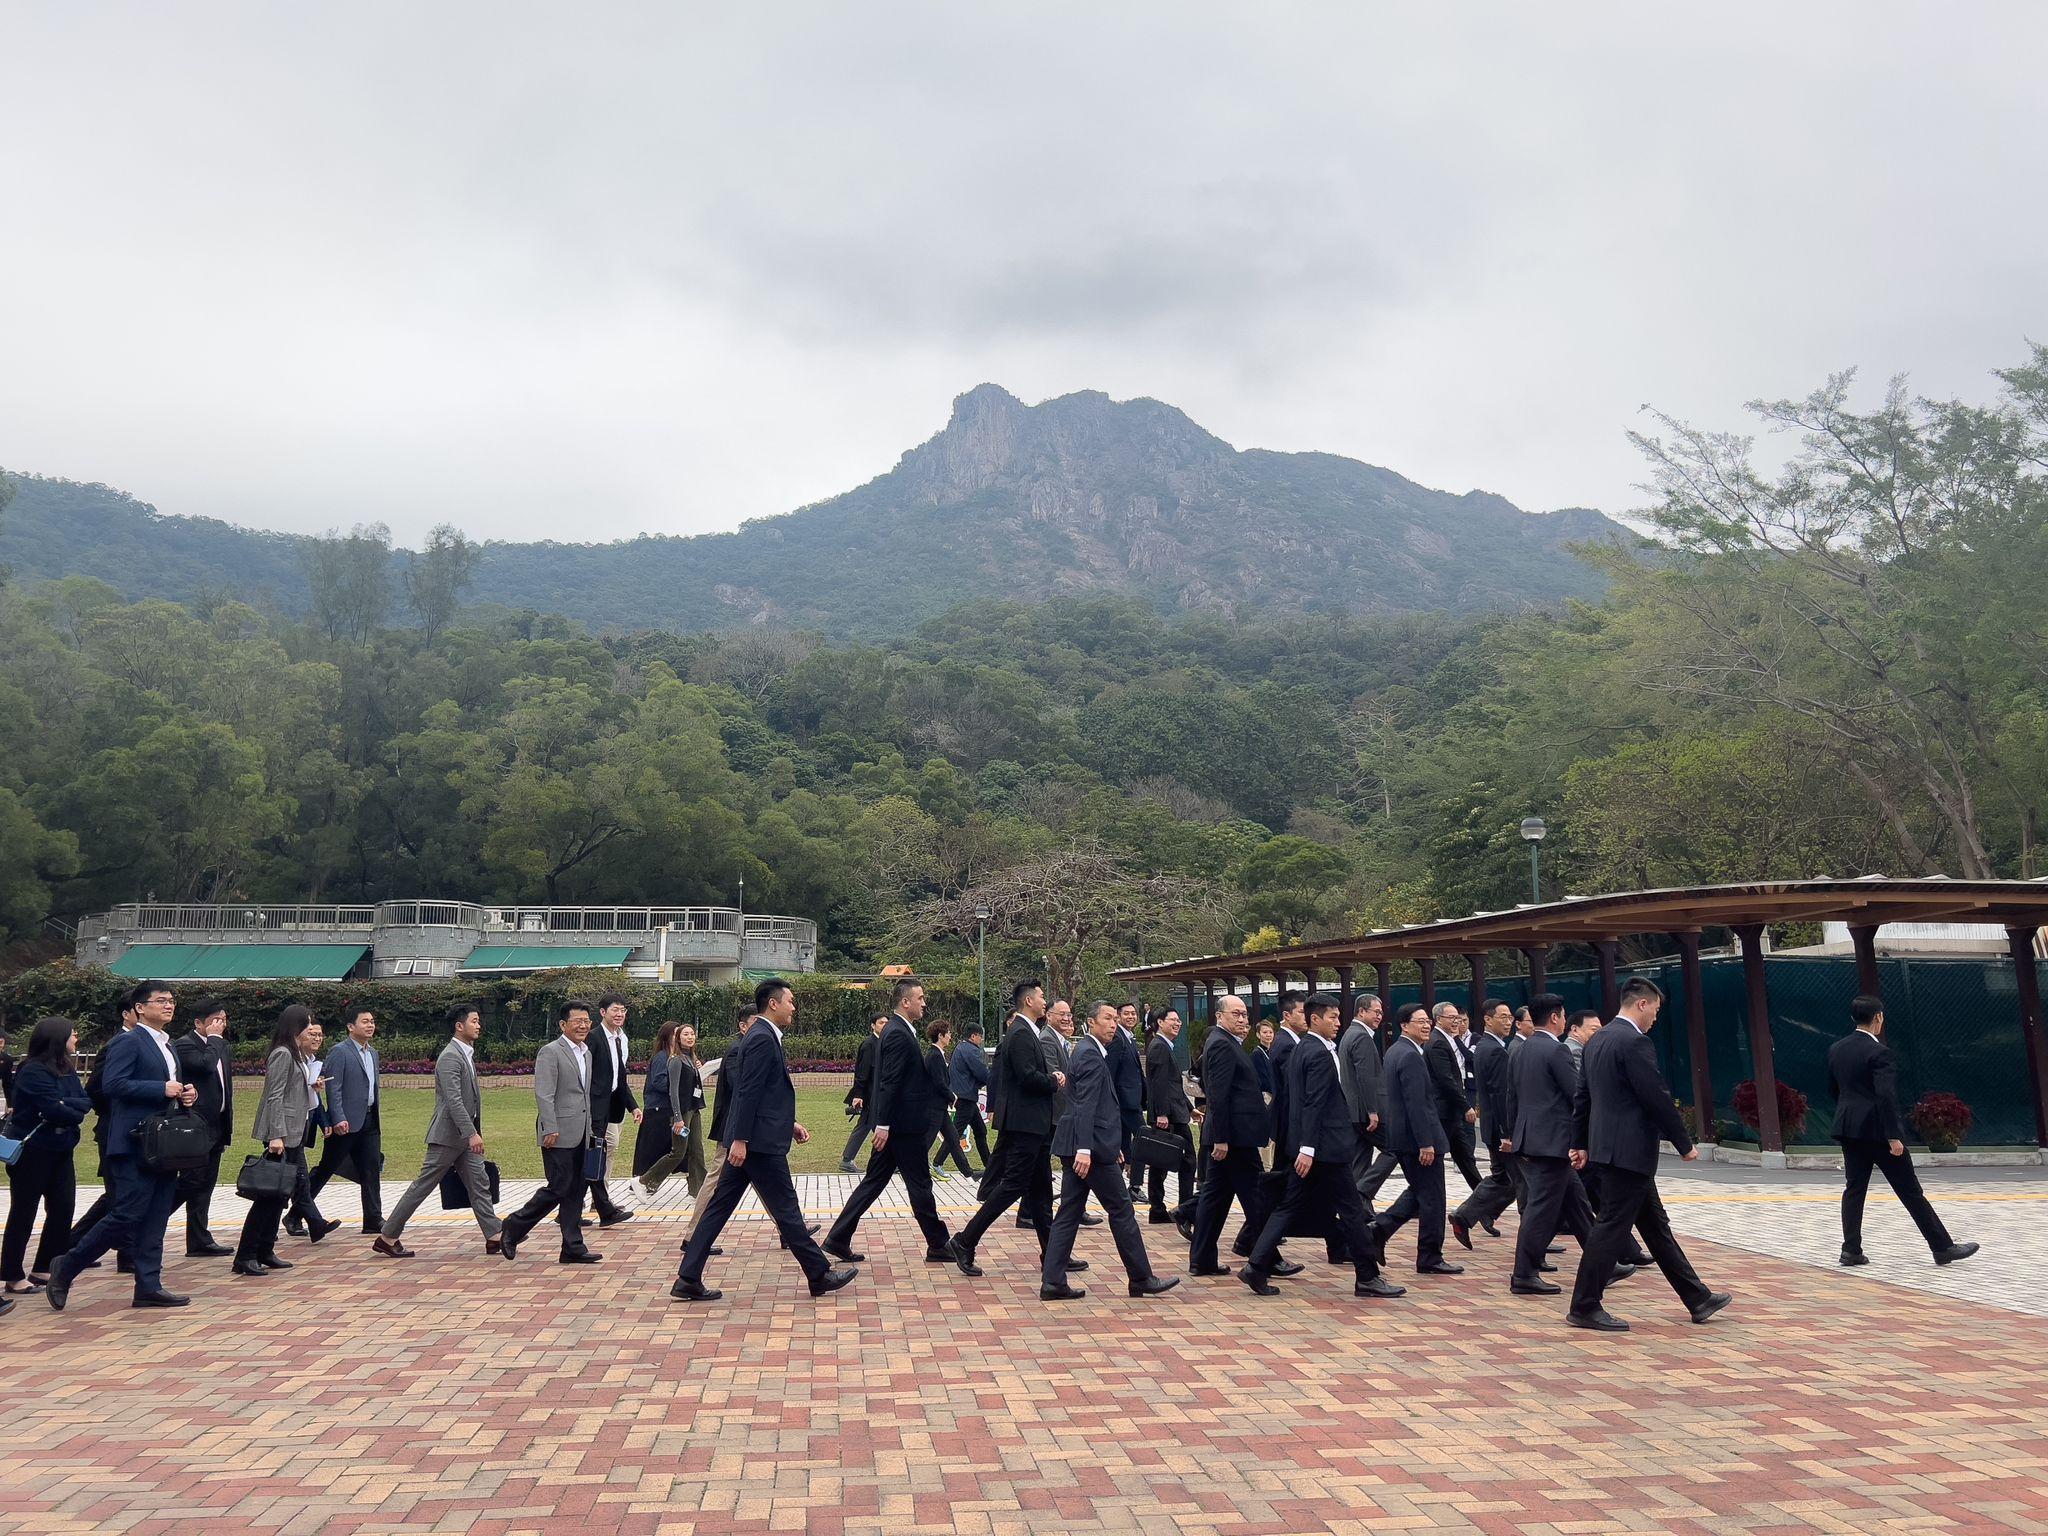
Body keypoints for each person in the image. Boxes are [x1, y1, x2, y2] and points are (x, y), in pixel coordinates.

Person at [671, 979, 855, 1302]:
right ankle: (819, 1273)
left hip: (757, 1138)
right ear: (773, 1004)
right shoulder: (760, 1038)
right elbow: (747, 1092)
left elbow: (767, 1095)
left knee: (718, 1208)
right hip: (757, 1145)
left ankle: (687, 1277)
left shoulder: (765, 1036)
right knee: (786, 1209)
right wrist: (739, 1139)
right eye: (790, 1002)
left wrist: (790, 1124)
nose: (793, 1008)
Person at [1566, 977, 1730, 1332]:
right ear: (1641, 1004)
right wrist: (1684, 1143)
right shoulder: (1634, 1042)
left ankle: (1697, 1297)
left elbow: (1583, 1097)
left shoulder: (1599, 1040)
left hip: (1609, 1151)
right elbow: (1654, 1095)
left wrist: (1579, 1143)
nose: (1656, 1016)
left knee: (1656, 1228)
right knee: (1610, 1228)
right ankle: (1584, 1305)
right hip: (1629, 1152)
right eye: (1655, 1008)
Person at [46, 979, 198, 1311]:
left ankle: (148, 1285)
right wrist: (162, 1088)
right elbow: (112, 1085)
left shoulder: (168, 1045)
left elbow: (167, 1088)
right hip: (132, 1144)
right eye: (161, 1000)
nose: (169, 1005)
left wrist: (186, 1094)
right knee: (128, 1213)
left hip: (163, 1144)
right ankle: (66, 1267)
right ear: (140, 1008)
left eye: (171, 1000)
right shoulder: (128, 1042)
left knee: (156, 1215)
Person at [1240, 995, 1404, 1300]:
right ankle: (1367, 1277)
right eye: (1332, 1017)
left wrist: (1303, 1147)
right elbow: (1313, 1103)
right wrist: (1308, 1148)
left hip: (1313, 1148)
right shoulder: (1316, 1052)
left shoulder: (1305, 1048)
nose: (1338, 1023)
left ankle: (1256, 1265)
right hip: (1325, 1149)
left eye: (1339, 1017)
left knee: (1289, 1207)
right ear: (1315, 1019)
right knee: (1352, 1211)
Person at [1040, 1002, 1179, 1301]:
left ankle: (1052, 1281)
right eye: (1107, 1019)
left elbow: (1095, 1106)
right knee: (1122, 1210)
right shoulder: (1089, 1054)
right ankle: (1141, 1277)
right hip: (1088, 1149)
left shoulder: (1091, 1052)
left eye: (1115, 1019)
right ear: (1091, 1023)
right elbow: (1086, 1106)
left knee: (1068, 1212)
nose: (1114, 1024)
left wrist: (1109, 1146)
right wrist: (1086, 1149)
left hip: (1089, 1145)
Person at [1829, 995, 1978, 1268]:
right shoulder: (1880, 1053)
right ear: (1878, 1018)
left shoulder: (1837, 1048)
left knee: (1854, 1188)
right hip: (1879, 1132)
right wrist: (1894, 1136)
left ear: (1854, 1018)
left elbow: (1835, 1090)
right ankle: (1942, 1247)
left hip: (1849, 1128)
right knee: (1910, 1190)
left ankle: (1851, 1250)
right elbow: (1885, 1096)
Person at [823, 979, 953, 1265]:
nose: (924, 1003)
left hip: (897, 1127)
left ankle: (837, 1238)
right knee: (919, 1184)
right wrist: (882, 1124)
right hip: (902, 1128)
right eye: (920, 998)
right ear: (905, 1002)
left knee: (873, 1182)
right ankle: (938, 1243)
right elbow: (889, 1082)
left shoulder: (899, 1031)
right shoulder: (897, 1033)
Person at [948, 981, 1066, 1277]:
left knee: (1041, 1193)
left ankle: (1052, 1255)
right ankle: (965, 1240)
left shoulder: (1025, 1032)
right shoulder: (1022, 1034)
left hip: (1032, 1125)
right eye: (1041, 996)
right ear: (1028, 1001)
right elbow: (1027, 1077)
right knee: (1013, 1186)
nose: (1044, 1001)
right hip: (1026, 1124)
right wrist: (1053, 1080)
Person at [375, 1004, 505, 1257]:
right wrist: (471, 1133)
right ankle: (388, 1236)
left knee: (479, 1183)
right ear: (459, 1026)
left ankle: (494, 1235)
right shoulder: (450, 1057)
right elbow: (454, 1100)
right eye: (474, 1021)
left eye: (479, 1021)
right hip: (448, 1136)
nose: (479, 1026)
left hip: (463, 1137)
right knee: (422, 1187)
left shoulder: (465, 1054)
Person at [1503, 994, 1600, 1295]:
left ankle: (1605, 1261)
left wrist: (1512, 1133)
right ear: (1556, 1017)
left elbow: (1511, 1095)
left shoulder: (1521, 1048)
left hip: (1530, 1138)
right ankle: (1523, 1274)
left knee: (1577, 1202)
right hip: (1551, 1141)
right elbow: (1576, 1095)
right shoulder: (1555, 1051)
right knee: (1541, 1209)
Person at [499, 1000, 602, 1264]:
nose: (583, 1025)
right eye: (577, 1021)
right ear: (563, 1024)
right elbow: (544, 1093)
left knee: (577, 1189)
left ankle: (572, 1246)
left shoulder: (586, 1053)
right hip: (557, 1131)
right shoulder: (550, 1052)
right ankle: (514, 1225)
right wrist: (550, 1127)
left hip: (581, 1131)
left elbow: (583, 1095)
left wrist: (590, 1129)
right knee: (559, 1186)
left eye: (586, 1021)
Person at [2, 1017, 91, 1300]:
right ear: (57, 1038)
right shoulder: (32, 1070)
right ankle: (12, 1273)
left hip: (61, 1147)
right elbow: (51, 1108)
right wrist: (67, 1107)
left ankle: (44, 1267)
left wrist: (69, 1106)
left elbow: (84, 1102)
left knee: (63, 1207)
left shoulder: (66, 1068)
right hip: (33, 1151)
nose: (75, 1039)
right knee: (24, 1211)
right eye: (72, 1034)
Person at [1369, 1003, 1460, 1276]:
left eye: (1427, 1021)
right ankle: (1430, 1256)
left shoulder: (1398, 1051)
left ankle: (1380, 1229)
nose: (1426, 1025)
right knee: (1433, 1199)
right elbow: (1416, 1103)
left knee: (1420, 1192)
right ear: (1404, 1025)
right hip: (1418, 1140)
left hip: (1405, 1138)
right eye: (1419, 1021)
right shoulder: (1409, 1055)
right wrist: (1426, 1142)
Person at [1186, 994, 1273, 1275]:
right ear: (1219, 1016)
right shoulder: (1222, 1045)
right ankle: (1269, 1257)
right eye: (1235, 1014)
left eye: (1245, 1014)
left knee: (1215, 1199)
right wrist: (1221, 1138)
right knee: (1256, 1195)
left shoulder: (1228, 1044)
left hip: (1234, 1136)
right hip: (1233, 1138)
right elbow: (1219, 1096)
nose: (1242, 1019)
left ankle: (1202, 1259)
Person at [234, 1006, 323, 1277]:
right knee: (269, 1196)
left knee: (280, 1196)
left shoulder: (296, 1054)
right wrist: (276, 1135)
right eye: (307, 1024)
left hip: (293, 1133)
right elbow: (274, 1096)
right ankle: (246, 1255)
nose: (311, 1029)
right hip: (282, 1135)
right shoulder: (283, 1054)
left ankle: (265, 1249)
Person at [308, 1003, 383, 1234]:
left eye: (371, 1021)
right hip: (345, 1123)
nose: (370, 1025)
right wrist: (338, 1117)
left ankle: (373, 1220)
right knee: (327, 1168)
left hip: (369, 1120)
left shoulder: (372, 1053)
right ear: (351, 1027)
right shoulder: (340, 1052)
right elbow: (334, 1087)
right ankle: (297, 1211)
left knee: (371, 1168)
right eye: (364, 1021)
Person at [1451, 998, 1521, 1247]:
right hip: (1500, 1128)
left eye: (1510, 1017)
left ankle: (1467, 1215)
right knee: (1521, 1181)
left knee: (1503, 1178)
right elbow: (1500, 1094)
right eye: (1503, 1017)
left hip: (1492, 1125)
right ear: (1488, 1020)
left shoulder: (1485, 1046)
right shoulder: (1494, 1050)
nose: (1508, 1021)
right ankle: (1537, 1238)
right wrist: (1507, 1133)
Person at [171, 996, 233, 1258]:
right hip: (195, 1126)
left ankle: (199, 1239)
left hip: (217, 1125)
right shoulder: (186, 1045)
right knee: (190, 1182)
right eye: (215, 1020)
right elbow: (205, 1066)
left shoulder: (222, 1047)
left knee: (206, 1183)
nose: (221, 1025)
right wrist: (214, 1040)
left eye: (223, 1019)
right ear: (199, 1022)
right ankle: (144, 1223)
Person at [584, 992, 640, 1226]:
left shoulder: (620, 1038)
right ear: (603, 1012)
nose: (619, 1014)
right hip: (593, 1108)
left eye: (623, 1010)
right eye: (615, 1010)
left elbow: (619, 1076)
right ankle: (595, 1206)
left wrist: (633, 1106)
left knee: (605, 1151)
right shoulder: (593, 1038)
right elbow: (585, 1075)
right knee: (595, 1153)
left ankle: (600, 1203)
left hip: (611, 1107)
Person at [637, 1022, 708, 1195]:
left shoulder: (690, 1059)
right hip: (682, 1113)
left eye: (692, 1034)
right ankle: (643, 1180)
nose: (689, 1037)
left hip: (693, 1110)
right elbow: (673, 1091)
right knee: (678, 1152)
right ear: (677, 1038)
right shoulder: (675, 1060)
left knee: (696, 1150)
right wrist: (677, 1118)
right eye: (685, 1034)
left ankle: (698, 1190)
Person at [1338, 996, 1393, 1210]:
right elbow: (1365, 1076)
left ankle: (1359, 1210)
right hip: (1364, 1111)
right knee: (1394, 1147)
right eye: (1375, 1012)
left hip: (1354, 1112)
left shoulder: (1349, 1035)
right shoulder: (1361, 1037)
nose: (1379, 1016)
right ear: (1361, 1012)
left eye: (1380, 1012)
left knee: (1360, 1160)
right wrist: (1373, 1110)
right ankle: (1363, 1191)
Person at [1143, 1009, 1196, 1222]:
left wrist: (1190, 1108)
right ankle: (1184, 1209)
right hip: (1170, 1117)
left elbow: (1173, 1085)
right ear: (1160, 1022)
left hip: (1175, 1112)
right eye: (1173, 1020)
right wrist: (1162, 1114)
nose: (1178, 1023)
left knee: (1160, 1162)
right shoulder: (1159, 1047)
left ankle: (1158, 1210)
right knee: (1187, 1161)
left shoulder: (1164, 1046)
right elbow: (1159, 1083)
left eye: (1178, 1019)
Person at [1426, 1002, 1483, 1192]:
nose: (1456, 1021)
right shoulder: (1437, 1043)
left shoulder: (1449, 1039)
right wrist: (1465, 1106)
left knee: (1465, 1159)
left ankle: (1482, 1207)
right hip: (1443, 1112)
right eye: (1451, 1018)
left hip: (1450, 1112)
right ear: (1438, 1020)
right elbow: (1445, 1080)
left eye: (1457, 1018)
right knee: (1439, 1160)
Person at [942, 1022, 991, 1172]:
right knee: (955, 1133)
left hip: (962, 1094)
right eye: (980, 1037)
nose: (981, 1040)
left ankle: (989, 1166)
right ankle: (937, 1163)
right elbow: (980, 1071)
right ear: (973, 1036)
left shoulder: (960, 1048)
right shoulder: (971, 1050)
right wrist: (990, 1079)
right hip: (966, 1096)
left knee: (980, 1131)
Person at [839, 1013, 885, 1173]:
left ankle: (847, 1159)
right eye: (881, 1023)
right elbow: (861, 1073)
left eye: (887, 1023)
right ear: (873, 1025)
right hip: (870, 1096)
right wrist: (858, 1095)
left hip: (878, 1094)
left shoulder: (882, 1043)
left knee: (870, 1126)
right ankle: (847, 1160)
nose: (884, 1025)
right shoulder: (869, 1045)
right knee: (874, 1126)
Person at [1110, 1001, 1146, 1192]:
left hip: (1132, 1101)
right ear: (1118, 1016)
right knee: (1143, 1140)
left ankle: (1117, 1188)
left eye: (1134, 1013)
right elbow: (1111, 1072)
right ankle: (1135, 1186)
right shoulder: (1117, 1039)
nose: (1131, 1017)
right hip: (1124, 1103)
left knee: (1124, 1145)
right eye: (1127, 1014)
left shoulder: (1129, 1038)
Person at [1251, 1020, 1276, 1097]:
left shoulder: (1273, 1051)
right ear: (1258, 1035)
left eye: (1270, 1032)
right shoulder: (1257, 1054)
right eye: (1265, 1032)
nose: (1268, 1035)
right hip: (1266, 1095)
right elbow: (1263, 1080)